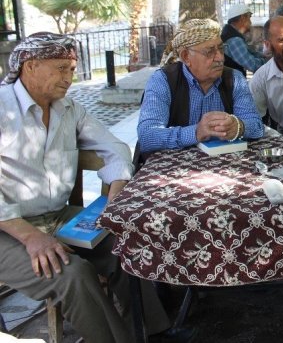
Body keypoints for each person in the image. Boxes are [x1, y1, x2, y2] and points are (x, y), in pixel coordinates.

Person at [0, 33, 185, 343]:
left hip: (56, 216)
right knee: (72, 274)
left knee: (125, 242)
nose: (68, 78)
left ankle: (154, 332)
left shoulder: (68, 108)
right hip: (9, 228)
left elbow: (116, 148)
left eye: (72, 69)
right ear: (30, 67)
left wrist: (114, 200)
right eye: (61, 68)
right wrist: (31, 237)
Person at [137, 19, 263, 154]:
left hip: (224, 162)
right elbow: (147, 136)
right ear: (186, 57)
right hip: (173, 164)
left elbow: (257, 126)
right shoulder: (163, 81)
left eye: (221, 49)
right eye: (210, 52)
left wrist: (239, 126)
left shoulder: (234, 78)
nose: (220, 58)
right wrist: (196, 132)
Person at [220, 3, 267, 73]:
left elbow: (250, 53)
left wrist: (263, 56)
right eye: (249, 17)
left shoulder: (232, 34)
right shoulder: (234, 40)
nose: (250, 22)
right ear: (243, 18)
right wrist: (268, 61)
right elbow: (253, 65)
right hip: (233, 79)